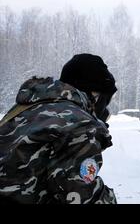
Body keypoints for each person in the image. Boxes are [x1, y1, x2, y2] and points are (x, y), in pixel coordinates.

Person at [0, 53, 117, 204]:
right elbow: (84, 197)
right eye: (105, 99)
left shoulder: (24, 109)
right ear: (94, 94)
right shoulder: (80, 124)